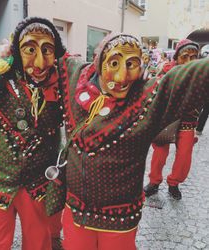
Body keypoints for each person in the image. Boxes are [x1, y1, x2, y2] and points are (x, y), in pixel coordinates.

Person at [45, 33, 209, 250]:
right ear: (99, 62)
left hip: (119, 220)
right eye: (114, 63)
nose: (122, 76)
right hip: (77, 213)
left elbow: (191, 76)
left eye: (131, 64)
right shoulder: (77, 80)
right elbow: (55, 55)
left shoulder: (148, 98)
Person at [0, 17, 65, 250]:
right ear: (16, 51)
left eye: (47, 50)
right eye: (30, 49)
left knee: (39, 243)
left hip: (39, 183)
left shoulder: (62, 88)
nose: (39, 61)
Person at [144, 39, 200, 200]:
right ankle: (154, 182)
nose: (189, 61)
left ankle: (174, 183)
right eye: (185, 56)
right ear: (177, 57)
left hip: (188, 120)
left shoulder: (199, 74)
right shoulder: (167, 71)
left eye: (193, 57)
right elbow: (156, 94)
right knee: (160, 153)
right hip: (166, 120)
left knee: (184, 156)